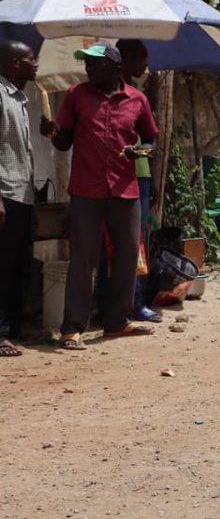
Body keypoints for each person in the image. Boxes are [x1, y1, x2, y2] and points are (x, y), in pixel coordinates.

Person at [46, 43, 158, 349]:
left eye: (95, 64)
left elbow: (151, 139)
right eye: (87, 64)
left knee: (125, 258)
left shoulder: (137, 99)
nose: (89, 69)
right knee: (82, 258)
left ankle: (117, 321)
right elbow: (64, 143)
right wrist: (54, 132)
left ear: (115, 67)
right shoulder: (76, 96)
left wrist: (140, 151)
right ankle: (72, 328)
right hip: (86, 190)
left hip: (125, 190)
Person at [95, 39, 160, 323]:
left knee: (134, 243)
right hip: (115, 180)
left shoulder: (138, 94)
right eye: (142, 59)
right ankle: (125, 301)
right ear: (125, 60)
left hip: (140, 175)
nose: (146, 65)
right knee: (120, 243)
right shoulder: (107, 93)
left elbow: (150, 141)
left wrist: (147, 167)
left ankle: (129, 299)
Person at [0, 40, 51, 358]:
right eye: (31, 59)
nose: (36, 63)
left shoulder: (21, 97)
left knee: (19, 265)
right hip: (6, 193)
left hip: (23, 192)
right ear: (15, 63)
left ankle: (14, 327)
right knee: (3, 267)